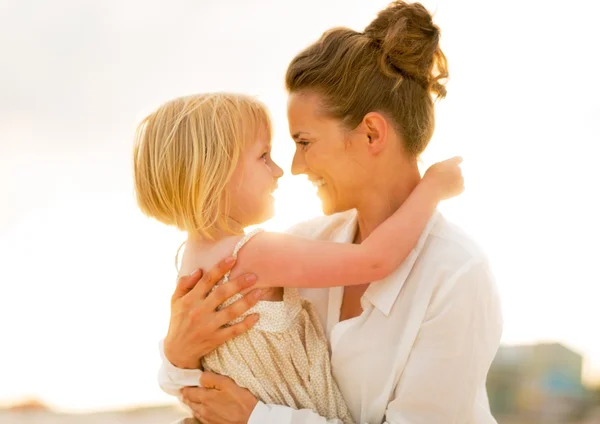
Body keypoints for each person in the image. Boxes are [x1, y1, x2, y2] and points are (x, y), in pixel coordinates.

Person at [159, 1, 503, 423]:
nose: (295, 167)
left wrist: (258, 419)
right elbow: (210, 382)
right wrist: (178, 352)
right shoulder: (304, 242)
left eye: (304, 142)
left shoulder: (456, 273)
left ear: (372, 133)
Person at [133, 92, 463, 423]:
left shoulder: (190, 262)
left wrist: (176, 358)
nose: (279, 171)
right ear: (215, 174)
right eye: (263, 156)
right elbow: (375, 260)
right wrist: (431, 189)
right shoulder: (255, 253)